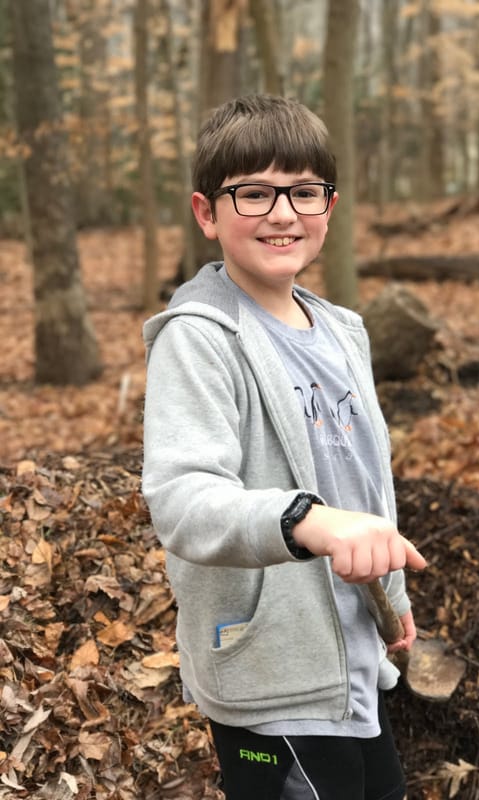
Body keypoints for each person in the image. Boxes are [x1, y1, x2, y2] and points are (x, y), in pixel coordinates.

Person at [142, 94, 427, 800]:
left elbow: (364, 487)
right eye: (254, 193)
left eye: (303, 191)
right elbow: (182, 501)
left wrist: (391, 595)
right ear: (207, 212)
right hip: (271, 673)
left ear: (328, 207)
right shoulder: (199, 339)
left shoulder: (344, 332)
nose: (283, 212)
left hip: (353, 657)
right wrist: (308, 519)